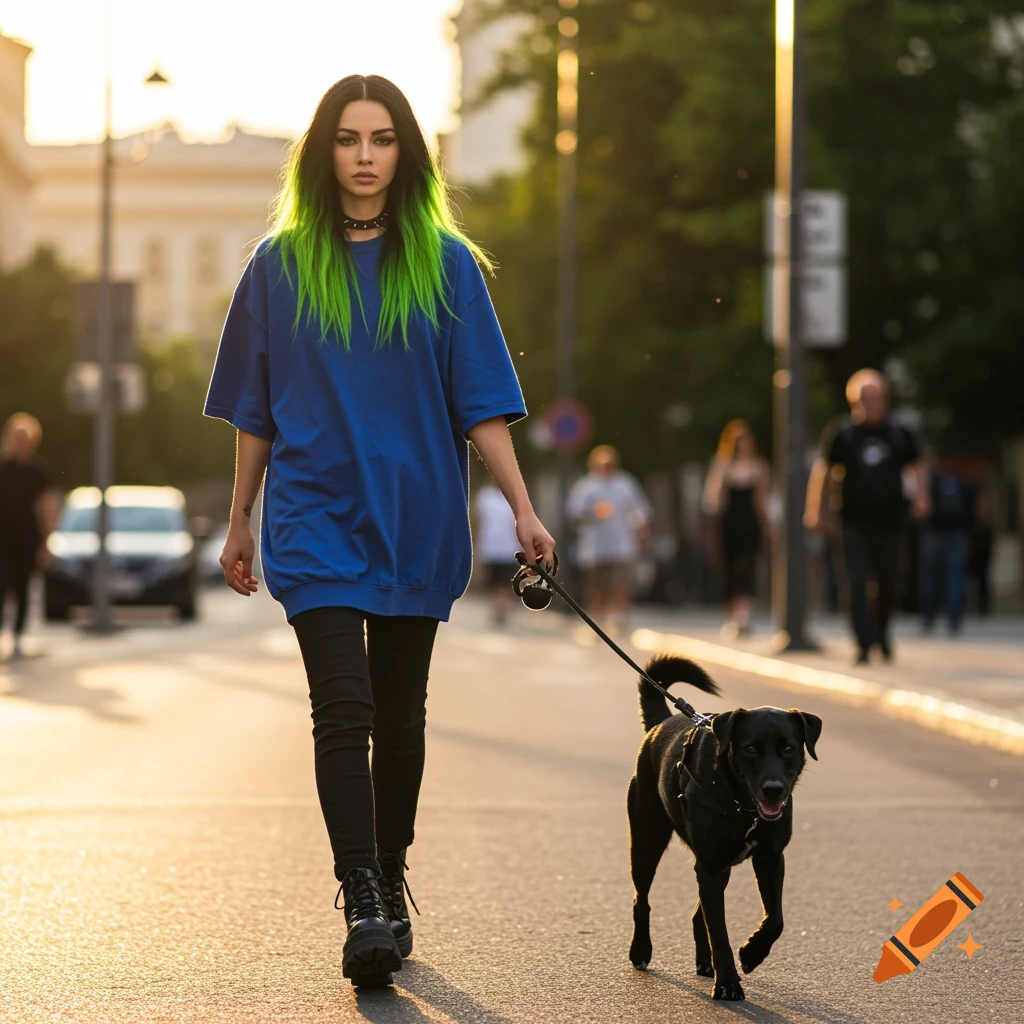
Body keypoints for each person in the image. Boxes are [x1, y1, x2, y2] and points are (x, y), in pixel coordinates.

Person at [204, 75, 555, 988]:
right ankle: (361, 896)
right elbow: (254, 412)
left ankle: (391, 879)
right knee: (343, 710)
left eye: (383, 138)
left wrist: (522, 508)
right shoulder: (276, 268)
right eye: (349, 138)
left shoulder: (446, 265)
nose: (364, 155)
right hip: (315, 516)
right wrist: (240, 519)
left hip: (417, 514)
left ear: (407, 152)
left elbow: (481, 406)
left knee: (400, 719)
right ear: (323, 152)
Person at [805, 369, 929, 665]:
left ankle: (882, 634)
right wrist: (815, 510)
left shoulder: (899, 432)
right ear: (853, 401)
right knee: (856, 581)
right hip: (852, 521)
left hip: (891, 520)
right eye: (863, 398)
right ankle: (862, 643)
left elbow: (917, 466)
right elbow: (823, 471)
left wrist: (924, 496)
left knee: (890, 582)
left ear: (884, 399)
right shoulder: (843, 433)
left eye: (874, 397)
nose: (869, 403)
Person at [566, 444, 652, 637]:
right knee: (596, 585)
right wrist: (593, 512)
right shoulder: (586, 486)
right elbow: (574, 511)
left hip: (622, 545)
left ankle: (619, 617)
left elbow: (639, 512)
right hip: (594, 547)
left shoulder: (626, 484)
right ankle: (598, 618)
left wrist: (643, 534)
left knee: (620, 583)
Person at [702, 420, 769, 638]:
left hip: (750, 524)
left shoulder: (759, 467)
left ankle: (744, 615)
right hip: (728, 523)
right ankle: (731, 616)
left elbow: (762, 501)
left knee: (747, 567)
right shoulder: (722, 466)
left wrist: (768, 526)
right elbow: (713, 499)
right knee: (729, 569)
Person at [0, 413, 57, 660]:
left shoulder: (38, 472)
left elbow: (47, 507)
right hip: (1, 537)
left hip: (26, 538)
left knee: (22, 587)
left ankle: (18, 638)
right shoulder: (1, 468)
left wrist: (45, 542)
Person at [919, 450, 977, 634]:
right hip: (958, 533)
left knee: (931, 578)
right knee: (955, 576)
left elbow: (922, 508)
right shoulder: (963, 480)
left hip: (934, 532)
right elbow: (978, 508)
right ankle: (954, 618)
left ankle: (929, 617)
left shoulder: (931, 479)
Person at [472, 481, 520, 626]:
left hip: (509, 547)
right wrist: (477, 544)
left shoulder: (514, 494)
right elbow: (479, 521)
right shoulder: (485, 496)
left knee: (506, 579)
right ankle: (498, 605)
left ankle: (502, 606)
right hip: (490, 546)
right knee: (494, 579)